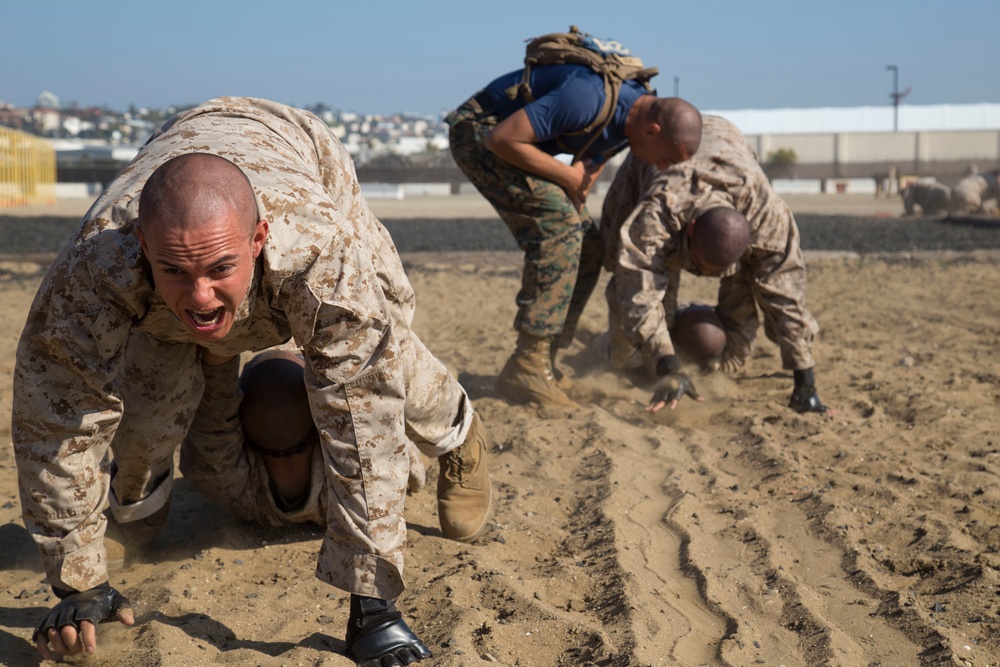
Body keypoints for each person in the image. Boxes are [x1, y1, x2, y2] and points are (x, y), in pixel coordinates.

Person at [12, 97, 492, 666]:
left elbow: (362, 415)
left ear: (260, 237)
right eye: (176, 272)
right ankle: (139, 508)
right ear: (143, 245)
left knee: (388, 352)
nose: (200, 296)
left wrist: (375, 607)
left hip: (299, 151)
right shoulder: (97, 264)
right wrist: (78, 581)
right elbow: (55, 419)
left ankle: (460, 434)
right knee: (145, 409)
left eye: (220, 270)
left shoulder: (320, 253)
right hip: (177, 161)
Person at [446, 58, 702, 408]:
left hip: (514, 143)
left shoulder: (635, 119)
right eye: (666, 160)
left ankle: (544, 360)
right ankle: (529, 361)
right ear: (653, 131)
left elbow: (592, 161)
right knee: (561, 228)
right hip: (479, 130)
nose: (659, 168)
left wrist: (579, 181)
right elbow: (501, 138)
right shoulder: (589, 99)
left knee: (590, 246)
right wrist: (567, 179)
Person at [599, 114, 833, 414]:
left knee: (717, 344)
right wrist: (666, 364)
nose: (706, 275)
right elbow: (638, 287)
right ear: (692, 229)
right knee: (627, 348)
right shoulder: (658, 211)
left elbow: (786, 296)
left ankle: (682, 338)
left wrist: (806, 384)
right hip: (655, 158)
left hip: (728, 144)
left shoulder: (768, 215)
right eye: (702, 264)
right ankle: (613, 349)